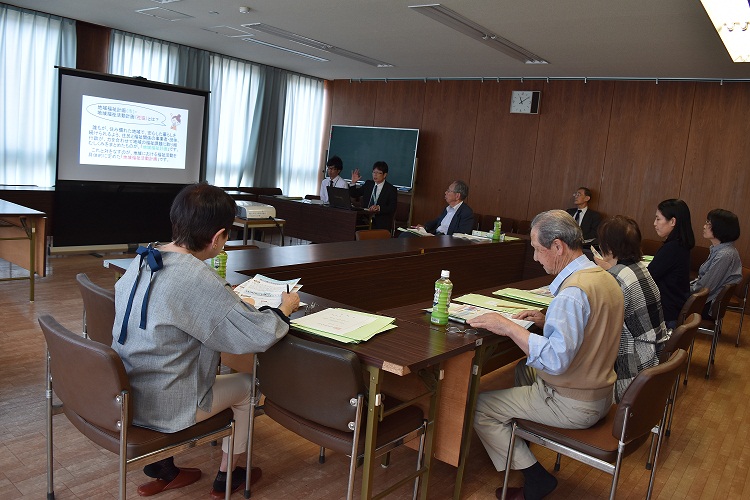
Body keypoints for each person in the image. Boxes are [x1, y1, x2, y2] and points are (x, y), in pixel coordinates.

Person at [111, 183, 300, 498]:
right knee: (246, 386)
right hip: (165, 403)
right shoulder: (197, 278)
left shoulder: (146, 256)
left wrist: (230, 307)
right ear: (218, 237)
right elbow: (258, 335)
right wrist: (284, 308)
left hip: (128, 389)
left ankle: (163, 467)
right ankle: (230, 475)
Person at [469, 210, 623, 500]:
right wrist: (544, 322)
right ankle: (521, 437)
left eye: (538, 250)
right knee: (522, 368)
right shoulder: (604, 278)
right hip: (602, 393)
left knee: (479, 406)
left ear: (557, 247)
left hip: (574, 403)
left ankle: (536, 479)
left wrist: (509, 328)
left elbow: (554, 360)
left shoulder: (572, 293)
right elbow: (593, 328)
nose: (537, 259)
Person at [593, 215, 668, 402]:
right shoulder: (640, 267)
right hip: (657, 353)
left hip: (637, 363)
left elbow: (599, 327)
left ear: (607, 248)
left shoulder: (617, 278)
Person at [648, 199, 694, 328]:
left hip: (666, 315)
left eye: (658, 219)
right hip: (673, 308)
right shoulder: (680, 245)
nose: (654, 223)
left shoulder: (672, 248)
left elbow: (648, 277)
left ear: (673, 221)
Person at [691, 209, 742, 319]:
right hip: (703, 300)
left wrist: (684, 289)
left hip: (705, 305)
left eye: (708, 223)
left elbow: (705, 288)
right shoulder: (720, 250)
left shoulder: (725, 255)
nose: (704, 226)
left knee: (665, 297)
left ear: (720, 227)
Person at [402, 180, 474, 236]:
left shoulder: (466, 213)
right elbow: (437, 221)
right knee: (406, 234)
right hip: (434, 236)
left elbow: (460, 235)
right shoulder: (448, 209)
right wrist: (424, 227)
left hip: (445, 242)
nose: (445, 192)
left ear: (457, 196)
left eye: (449, 191)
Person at [349, 161, 398, 231]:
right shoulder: (368, 184)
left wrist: (379, 208)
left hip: (380, 221)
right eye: (374, 172)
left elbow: (392, 207)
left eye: (379, 173)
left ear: (384, 175)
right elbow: (354, 194)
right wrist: (353, 182)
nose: (375, 175)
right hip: (365, 219)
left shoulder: (391, 189)